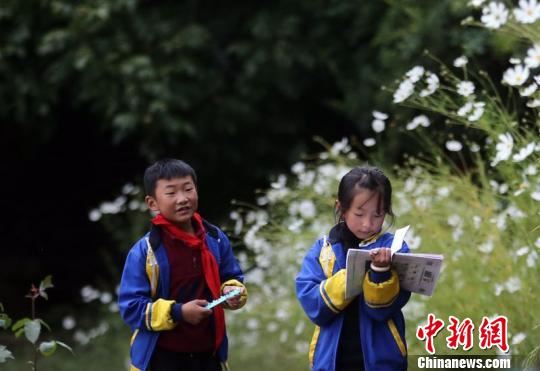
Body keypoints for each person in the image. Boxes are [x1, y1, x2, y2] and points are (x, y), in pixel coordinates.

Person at [118, 159, 247, 371]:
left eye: (188, 189)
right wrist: (178, 312)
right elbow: (131, 308)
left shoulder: (214, 238)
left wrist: (232, 291)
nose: (183, 199)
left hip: (209, 354)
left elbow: (232, 278)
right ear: (152, 203)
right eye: (171, 193)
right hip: (162, 357)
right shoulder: (145, 252)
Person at [296, 166, 410, 371]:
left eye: (377, 215)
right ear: (341, 208)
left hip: (383, 363)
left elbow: (381, 312)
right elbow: (313, 305)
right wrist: (350, 276)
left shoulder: (394, 249)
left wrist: (380, 272)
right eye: (359, 214)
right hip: (330, 363)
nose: (367, 224)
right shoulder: (323, 251)